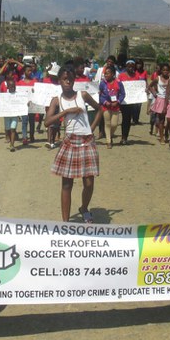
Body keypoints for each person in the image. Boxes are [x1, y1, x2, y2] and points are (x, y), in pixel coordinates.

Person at [44, 64, 102, 223]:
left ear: (74, 80)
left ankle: (84, 208)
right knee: (67, 185)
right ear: (59, 81)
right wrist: (66, 112)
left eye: (70, 79)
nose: (67, 81)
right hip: (70, 142)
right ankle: (65, 222)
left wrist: (92, 128)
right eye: (64, 79)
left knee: (89, 182)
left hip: (87, 141)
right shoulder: (57, 100)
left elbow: (100, 109)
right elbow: (47, 122)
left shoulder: (83, 95)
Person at [98, 64, 125, 148]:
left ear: (113, 74)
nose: (106, 75)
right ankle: (108, 141)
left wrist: (118, 101)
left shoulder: (119, 83)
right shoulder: (102, 83)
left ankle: (110, 135)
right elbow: (99, 95)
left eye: (108, 73)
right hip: (106, 106)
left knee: (114, 124)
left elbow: (122, 94)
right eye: (105, 73)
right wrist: (105, 102)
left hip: (115, 106)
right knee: (107, 123)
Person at [117, 60, 140, 145]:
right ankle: (122, 137)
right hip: (123, 101)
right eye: (129, 66)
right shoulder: (121, 76)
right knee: (124, 119)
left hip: (132, 101)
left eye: (132, 66)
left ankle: (125, 137)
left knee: (128, 119)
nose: (130, 68)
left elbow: (138, 87)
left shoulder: (137, 76)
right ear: (126, 66)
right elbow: (117, 86)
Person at [148, 63, 170, 144]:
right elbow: (150, 86)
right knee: (161, 120)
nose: (165, 71)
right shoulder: (157, 78)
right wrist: (154, 93)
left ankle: (167, 133)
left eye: (167, 70)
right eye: (163, 70)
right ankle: (161, 137)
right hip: (160, 99)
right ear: (161, 70)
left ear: (169, 71)